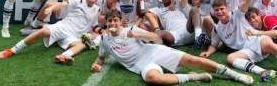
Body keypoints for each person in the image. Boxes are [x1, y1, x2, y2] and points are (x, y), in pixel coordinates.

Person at [91, 10, 254, 85]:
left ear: (120, 21)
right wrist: (97, 63)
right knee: (153, 79)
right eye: (110, 21)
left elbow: (156, 37)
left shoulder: (131, 30)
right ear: (106, 23)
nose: (112, 23)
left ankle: (235, 75)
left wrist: (137, 35)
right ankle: (195, 77)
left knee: (192, 59)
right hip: (141, 65)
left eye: (115, 20)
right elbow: (101, 57)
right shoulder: (105, 39)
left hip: (154, 51)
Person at [0, 0, 101, 64]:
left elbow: (95, 26)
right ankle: (12, 50)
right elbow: (62, 4)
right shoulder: (78, 0)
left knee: (82, 45)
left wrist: (101, 33)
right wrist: (51, 8)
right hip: (63, 27)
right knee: (44, 31)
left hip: (74, 36)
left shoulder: (97, 9)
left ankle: (63, 56)